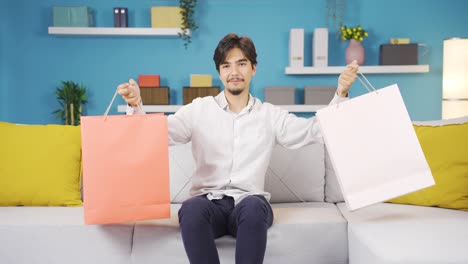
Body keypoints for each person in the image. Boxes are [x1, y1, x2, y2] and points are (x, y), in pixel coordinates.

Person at [117, 33, 358, 264]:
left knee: (254, 207)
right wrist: (135, 104)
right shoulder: (198, 110)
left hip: (248, 203)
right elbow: (156, 134)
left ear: (253, 68)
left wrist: (341, 93)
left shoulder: (269, 115)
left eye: (241, 64)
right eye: (226, 66)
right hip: (208, 204)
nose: (234, 72)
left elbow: (312, 131)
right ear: (219, 73)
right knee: (191, 209)